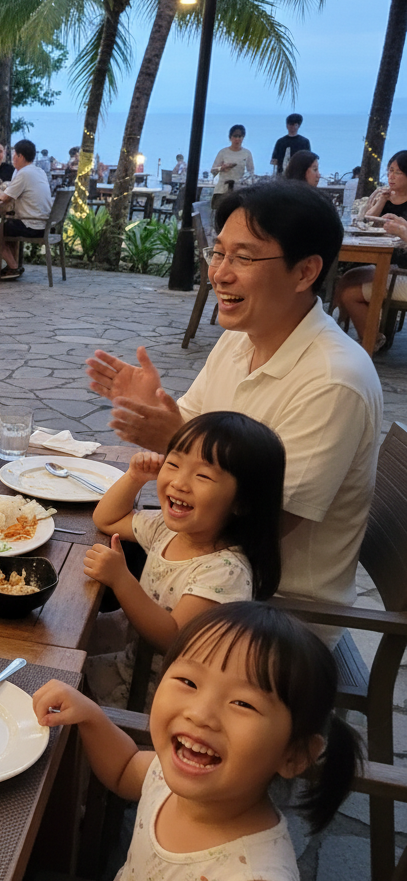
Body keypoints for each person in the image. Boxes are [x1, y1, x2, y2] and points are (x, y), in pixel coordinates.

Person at [85, 181, 382, 646]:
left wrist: (171, 441)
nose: (219, 274)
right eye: (217, 254)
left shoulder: (333, 380)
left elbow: (260, 524)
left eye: (243, 258)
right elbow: (192, 431)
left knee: (63, 626)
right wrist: (156, 410)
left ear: (304, 272)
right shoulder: (241, 339)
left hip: (269, 615)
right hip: (198, 570)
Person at [33, 601, 359, 881]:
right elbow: (125, 767)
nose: (200, 713)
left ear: (294, 755)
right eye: (188, 681)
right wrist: (91, 716)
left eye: (243, 703)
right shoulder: (166, 776)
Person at [83, 411, 285, 707]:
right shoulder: (168, 529)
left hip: (159, 690)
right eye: (173, 464)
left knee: (60, 670)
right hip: (133, 658)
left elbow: (173, 638)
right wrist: (134, 478)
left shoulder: (224, 572)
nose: (179, 482)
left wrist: (121, 579)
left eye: (202, 476)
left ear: (242, 502)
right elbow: (107, 519)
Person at [333, 149, 407, 346]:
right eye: (389, 170)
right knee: (345, 280)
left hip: (402, 271)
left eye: (397, 172)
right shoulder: (384, 195)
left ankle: (370, 341)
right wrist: (381, 200)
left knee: (350, 293)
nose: (391, 176)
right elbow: (362, 223)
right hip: (385, 263)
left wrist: (401, 229)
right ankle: (360, 333)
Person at [0, 138, 53, 280]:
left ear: (20, 156)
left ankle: (12, 266)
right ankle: (12, 266)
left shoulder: (24, 173)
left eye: (15, 155)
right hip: (43, 223)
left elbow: (5, 198)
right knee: (5, 224)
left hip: (32, 224)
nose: (13, 159)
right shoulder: (39, 171)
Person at [210, 125, 254, 207]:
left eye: (240, 136)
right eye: (235, 136)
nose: (237, 139)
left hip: (238, 190)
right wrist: (222, 168)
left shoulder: (247, 153)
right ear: (230, 137)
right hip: (222, 189)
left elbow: (250, 172)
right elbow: (213, 171)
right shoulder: (223, 152)